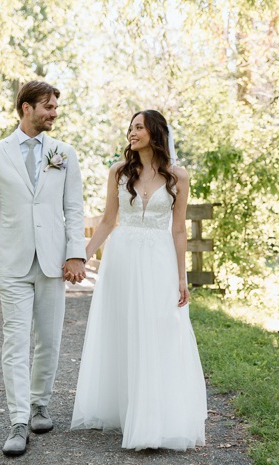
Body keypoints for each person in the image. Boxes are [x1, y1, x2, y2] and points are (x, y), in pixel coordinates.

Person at [71, 110, 207, 450]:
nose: (131, 133)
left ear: (155, 133)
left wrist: (182, 277)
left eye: (138, 127)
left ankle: (157, 416)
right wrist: (81, 255)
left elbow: (178, 229)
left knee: (160, 329)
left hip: (160, 259)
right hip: (123, 258)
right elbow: (107, 221)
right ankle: (130, 409)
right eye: (130, 128)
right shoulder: (118, 172)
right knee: (126, 329)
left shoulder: (178, 176)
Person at [0, 80, 87, 457]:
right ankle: (18, 420)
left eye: (55, 107)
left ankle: (40, 404)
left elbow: (74, 209)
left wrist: (76, 254)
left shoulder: (64, 153)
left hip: (54, 260)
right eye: (48, 107)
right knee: (15, 340)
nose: (54, 113)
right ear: (26, 107)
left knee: (50, 339)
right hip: (14, 260)